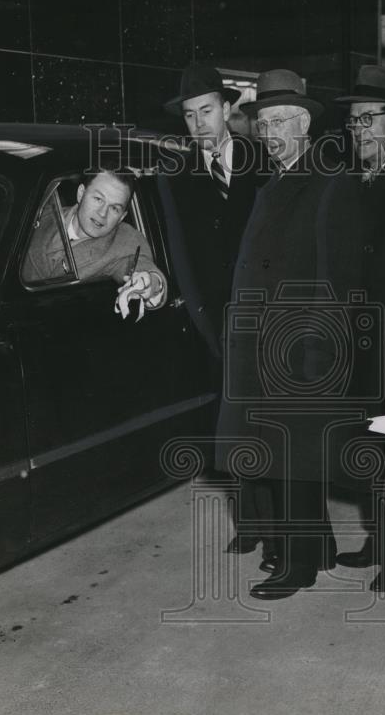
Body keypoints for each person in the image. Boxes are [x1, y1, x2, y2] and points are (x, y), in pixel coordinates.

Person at [214, 69, 336, 600]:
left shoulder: (327, 180)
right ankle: (318, 547)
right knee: (281, 452)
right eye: (264, 123)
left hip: (297, 345)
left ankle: (298, 564)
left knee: (293, 456)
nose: (270, 133)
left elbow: (333, 273)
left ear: (306, 124)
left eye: (282, 121)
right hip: (265, 342)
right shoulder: (281, 177)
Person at [150, 63, 268, 557]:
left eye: (206, 111)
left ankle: (294, 527)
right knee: (235, 420)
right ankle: (253, 522)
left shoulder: (264, 159)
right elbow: (178, 251)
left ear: (226, 110)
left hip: (268, 308)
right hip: (218, 318)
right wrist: (203, 320)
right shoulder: (174, 175)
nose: (198, 124)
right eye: (190, 116)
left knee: (280, 419)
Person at [319, 64, 385, 592]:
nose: (357, 131)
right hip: (356, 337)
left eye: (367, 121)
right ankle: (379, 539)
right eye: (353, 123)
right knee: (367, 445)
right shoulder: (346, 180)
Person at [22, 169, 165, 314]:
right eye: (98, 199)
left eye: (115, 208)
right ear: (81, 193)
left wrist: (149, 283)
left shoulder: (122, 242)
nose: (102, 213)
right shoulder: (43, 212)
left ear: (122, 217)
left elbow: (142, 266)